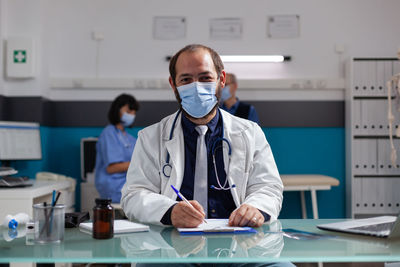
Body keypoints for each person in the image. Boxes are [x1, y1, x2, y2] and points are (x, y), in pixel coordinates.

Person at [121, 43, 282, 228]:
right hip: (173, 248)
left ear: (221, 79)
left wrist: (255, 208)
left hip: (240, 245)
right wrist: (169, 211)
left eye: (205, 78)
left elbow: (269, 187)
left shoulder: (250, 133)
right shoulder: (150, 137)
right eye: (186, 80)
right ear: (173, 84)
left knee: (281, 260)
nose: (196, 87)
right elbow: (133, 196)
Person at [95, 93, 140, 203]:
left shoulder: (130, 138)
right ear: (117, 110)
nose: (131, 115)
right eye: (128, 112)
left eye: (133, 113)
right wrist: (140, 164)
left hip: (127, 186)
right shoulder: (109, 133)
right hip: (114, 188)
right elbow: (112, 168)